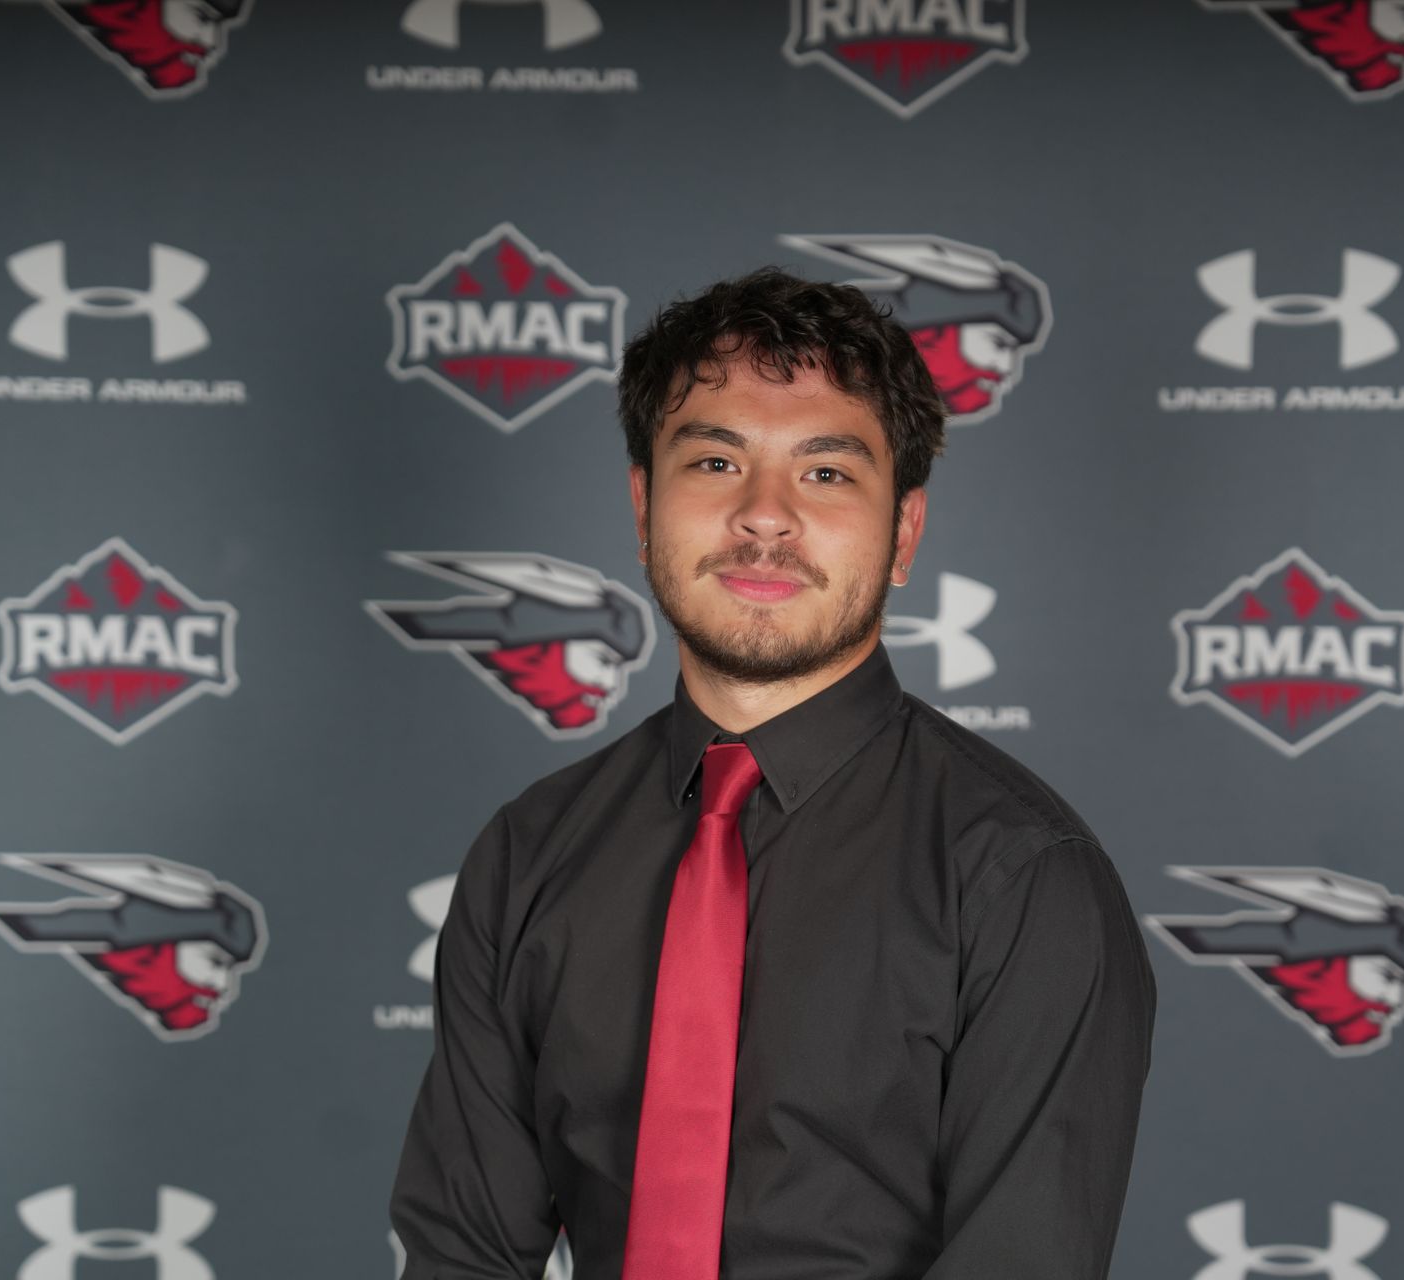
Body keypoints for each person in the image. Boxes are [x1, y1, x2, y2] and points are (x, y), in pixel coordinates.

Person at [390, 268, 1155, 1279]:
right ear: (643, 505)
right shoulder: (528, 856)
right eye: (716, 461)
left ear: (904, 533)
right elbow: (463, 1259)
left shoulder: (1021, 878)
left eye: (826, 473)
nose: (764, 515)